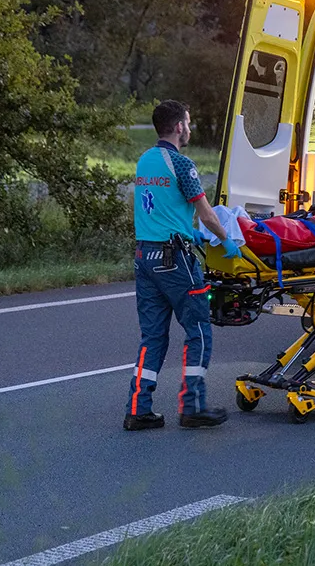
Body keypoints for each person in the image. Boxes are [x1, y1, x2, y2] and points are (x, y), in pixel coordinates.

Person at [124, 100, 242, 432]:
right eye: (187, 123)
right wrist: (226, 240)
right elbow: (208, 214)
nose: (189, 128)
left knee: (153, 337)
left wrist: (183, 227)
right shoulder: (182, 164)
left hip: (145, 258)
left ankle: (138, 409)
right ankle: (192, 407)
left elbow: (156, 208)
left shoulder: (145, 161)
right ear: (179, 127)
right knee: (199, 330)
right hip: (175, 261)